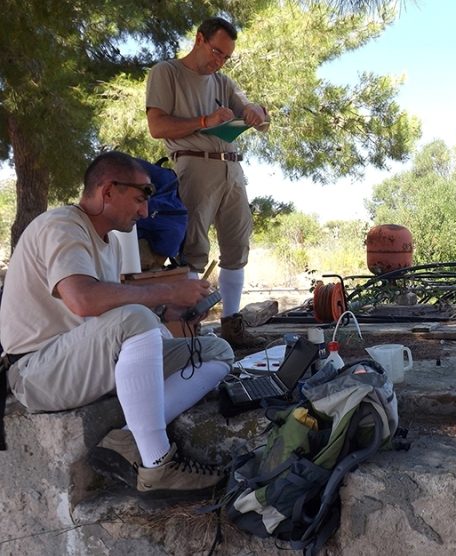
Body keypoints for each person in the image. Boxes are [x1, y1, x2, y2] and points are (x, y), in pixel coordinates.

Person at [0, 151, 234, 498]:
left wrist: (169, 314)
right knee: (137, 317)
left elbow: (110, 319)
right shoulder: (63, 225)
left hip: (81, 359)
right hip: (37, 372)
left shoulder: (108, 242)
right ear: (107, 190)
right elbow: (83, 300)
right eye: (140, 199)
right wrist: (167, 289)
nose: (144, 211)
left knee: (215, 350)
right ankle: (157, 464)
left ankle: (125, 438)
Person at [145, 16, 269, 349]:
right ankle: (188, 329)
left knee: (237, 247)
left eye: (226, 57)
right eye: (216, 52)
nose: (219, 61)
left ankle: (232, 324)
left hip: (232, 168)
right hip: (193, 165)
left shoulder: (223, 81)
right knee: (194, 250)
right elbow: (157, 127)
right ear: (199, 39)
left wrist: (256, 111)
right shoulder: (166, 72)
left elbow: (249, 110)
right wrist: (204, 121)